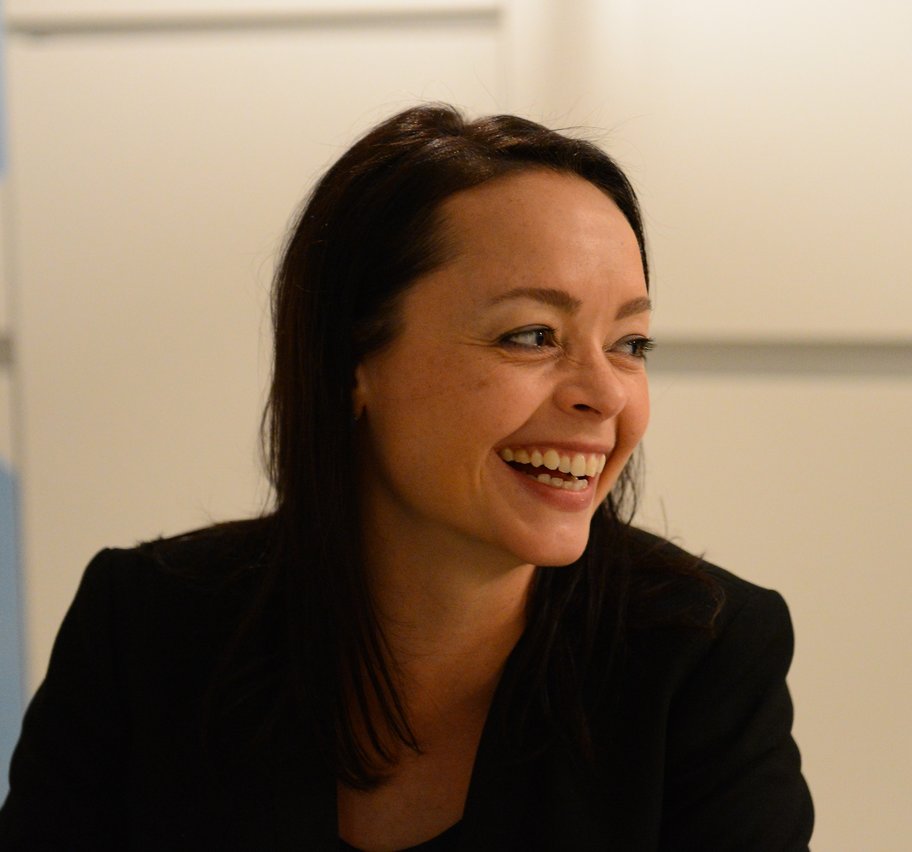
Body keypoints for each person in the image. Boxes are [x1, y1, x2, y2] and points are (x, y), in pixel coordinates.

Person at [0, 104, 813, 850]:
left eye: (629, 344)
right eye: (532, 335)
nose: (604, 395)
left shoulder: (702, 655)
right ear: (354, 361)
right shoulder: (145, 629)